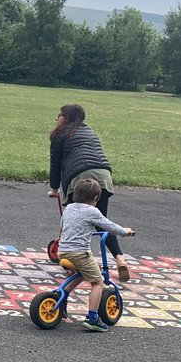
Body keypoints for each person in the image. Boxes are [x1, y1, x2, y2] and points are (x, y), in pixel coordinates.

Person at [47, 103, 130, 281]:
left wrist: (54, 188)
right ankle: (120, 258)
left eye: (60, 115)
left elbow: (56, 164)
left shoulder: (60, 134)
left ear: (66, 118)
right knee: (101, 221)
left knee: (74, 217)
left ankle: (75, 259)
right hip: (104, 175)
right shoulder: (89, 131)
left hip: (80, 176)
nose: (57, 118)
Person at [58, 177, 135, 331]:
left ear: (75, 195)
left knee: (81, 273)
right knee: (97, 282)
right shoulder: (92, 211)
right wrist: (124, 232)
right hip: (79, 254)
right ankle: (93, 317)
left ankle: (63, 295)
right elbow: (109, 226)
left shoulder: (69, 208)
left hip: (62, 251)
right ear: (95, 199)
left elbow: (63, 225)